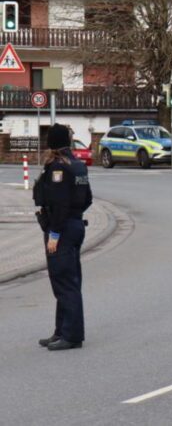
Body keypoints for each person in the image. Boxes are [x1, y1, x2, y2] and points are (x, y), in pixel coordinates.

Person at [33, 124, 92, 351]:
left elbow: (59, 205)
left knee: (65, 283)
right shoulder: (77, 166)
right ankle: (61, 331)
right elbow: (87, 199)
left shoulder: (58, 168)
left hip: (62, 230)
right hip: (75, 226)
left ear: (53, 143)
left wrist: (54, 234)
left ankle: (72, 335)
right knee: (66, 280)